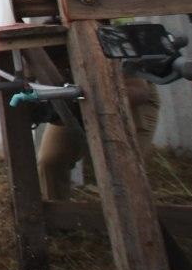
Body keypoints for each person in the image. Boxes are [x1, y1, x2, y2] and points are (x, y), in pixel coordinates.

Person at [37, 67, 159, 200]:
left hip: (125, 96)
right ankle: (56, 217)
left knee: (122, 172)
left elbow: (139, 91)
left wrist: (81, 107)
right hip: (74, 95)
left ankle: (134, 217)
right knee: (51, 161)